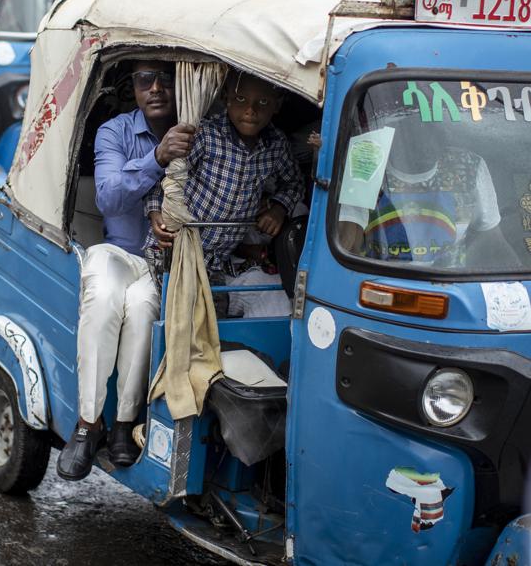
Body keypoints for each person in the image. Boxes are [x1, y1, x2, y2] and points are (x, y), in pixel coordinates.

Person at [56, 60, 195, 481]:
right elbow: (109, 199)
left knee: (142, 309)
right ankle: (87, 423)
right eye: (144, 80)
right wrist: (156, 156)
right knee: (101, 297)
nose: (155, 88)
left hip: (162, 264)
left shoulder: (198, 134)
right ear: (133, 88)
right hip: (119, 251)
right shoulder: (114, 132)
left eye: (165, 78)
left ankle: (124, 423)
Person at [145, 69, 303, 289]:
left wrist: (279, 208)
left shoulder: (276, 145)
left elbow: (294, 183)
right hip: (172, 252)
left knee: (214, 319)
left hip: (216, 264)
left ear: (277, 105)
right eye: (240, 99)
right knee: (174, 316)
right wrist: (155, 212)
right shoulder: (205, 134)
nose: (251, 110)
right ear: (225, 98)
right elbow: (163, 179)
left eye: (263, 102)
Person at [337, 111, 514, 269]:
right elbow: (348, 240)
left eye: (438, 130)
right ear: (399, 129)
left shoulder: (469, 167)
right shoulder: (368, 162)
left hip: (450, 286)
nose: (431, 141)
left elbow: (491, 236)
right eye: (420, 129)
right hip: (383, 285)